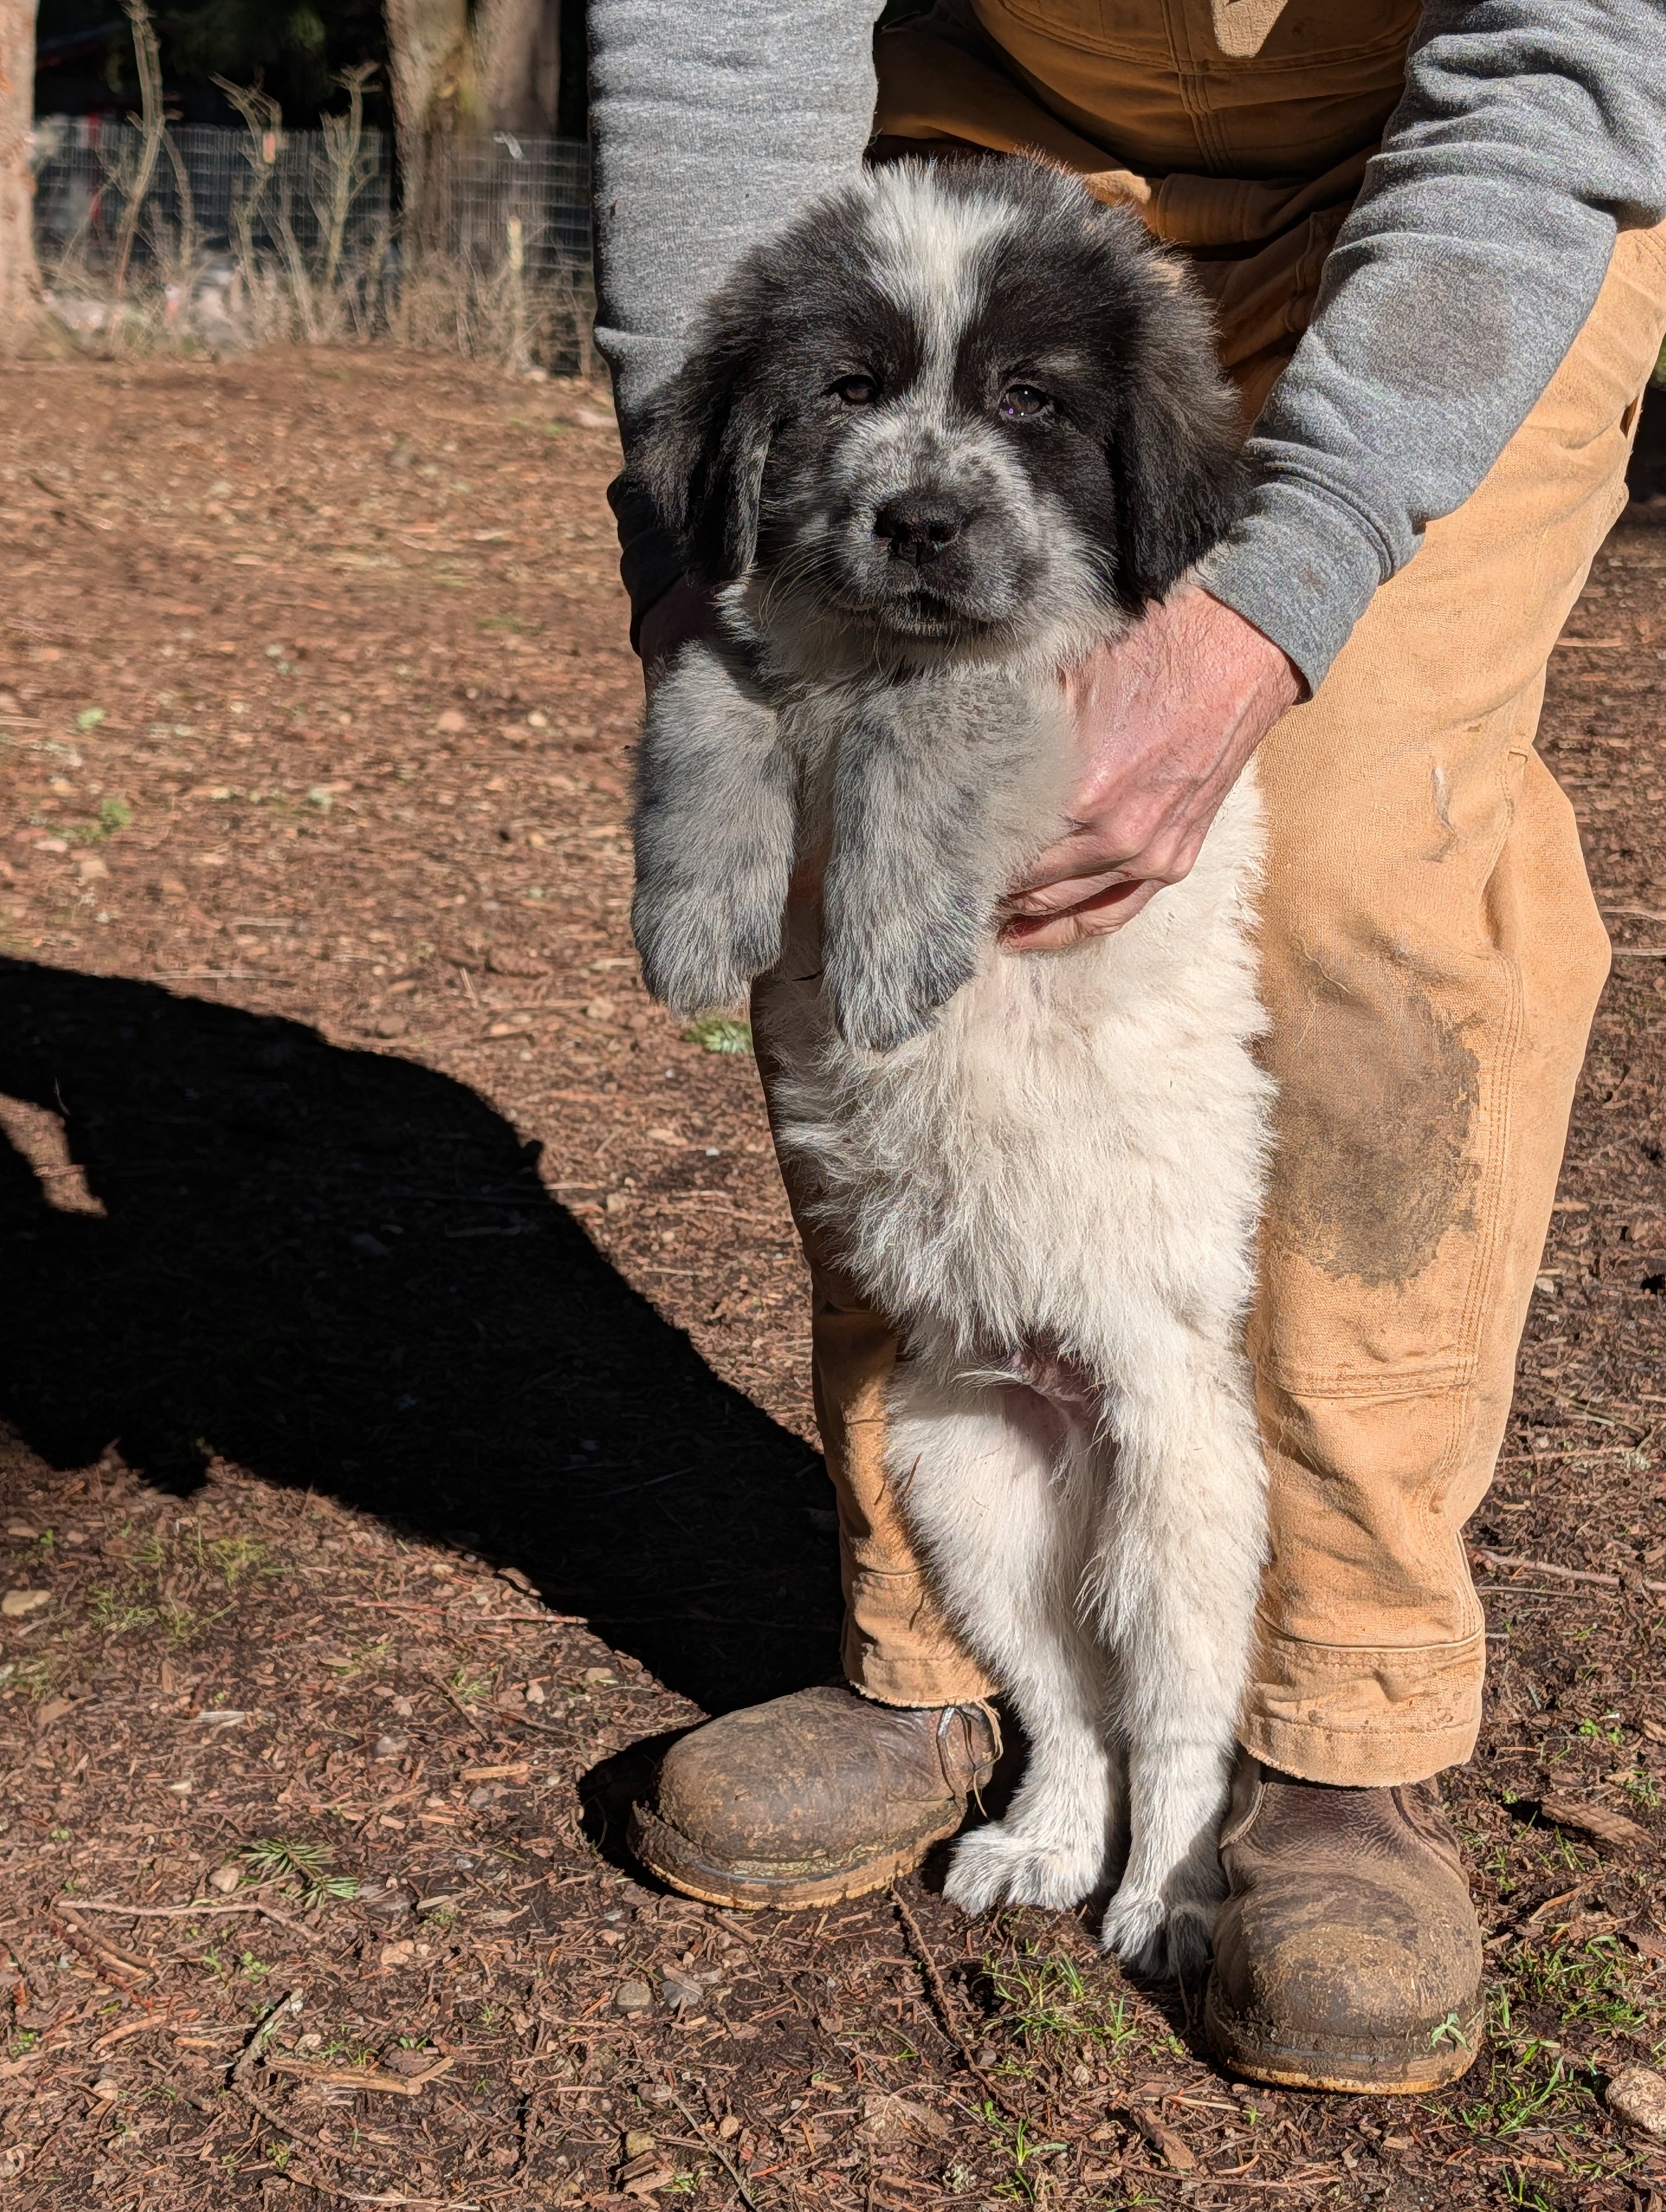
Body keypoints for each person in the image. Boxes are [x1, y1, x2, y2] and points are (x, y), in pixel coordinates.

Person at [588, 0, 1666, 2091]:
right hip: (989, 133)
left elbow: (1565, 55)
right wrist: (695, 600)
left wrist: (1272, 605)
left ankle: (1329, 1727)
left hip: (1460, 168)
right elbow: (719, 40)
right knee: (854, 809)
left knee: (1353, 856)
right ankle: (934, 1655)